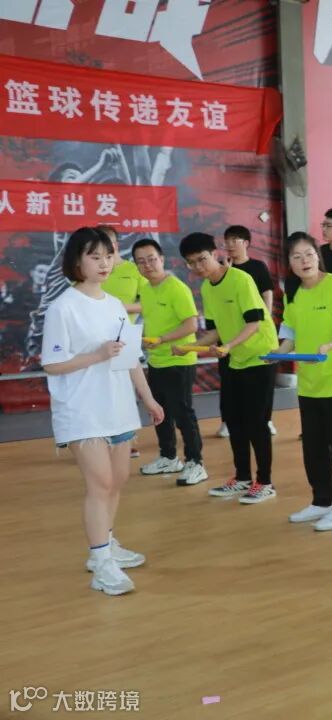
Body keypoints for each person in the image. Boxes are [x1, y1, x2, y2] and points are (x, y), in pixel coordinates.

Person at [42, 227, 164, 596]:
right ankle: (101, 563)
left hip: (118, 407)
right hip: (83, 410)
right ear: (77, 261)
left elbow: (130, 359)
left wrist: (148, 399)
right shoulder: (63, 307)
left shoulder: (113, 305)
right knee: (100, 483)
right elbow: (52, 364)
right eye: (94, 257)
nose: (104, 263)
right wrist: (97, 355)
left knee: (117, 480)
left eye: (108, 256)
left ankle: (107, 545)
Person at [179, 233, 279, 505]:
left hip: (259, 356)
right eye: (192, 263)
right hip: (234, 357)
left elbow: (254, 323)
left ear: (215, 254)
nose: (198, 267)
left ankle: (265, 482)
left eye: (202, 259)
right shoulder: (208, 288)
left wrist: (228, 345)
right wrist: (189, 347)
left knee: (256, 423)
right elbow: (214, 332)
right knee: (234, 420)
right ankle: (242, 477)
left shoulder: (241, 280)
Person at [277, 232, 332, 532]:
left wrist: (330, 345)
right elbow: (290, 331)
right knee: (313, 449)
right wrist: (278, 353)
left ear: (318, 256)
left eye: (309, 254)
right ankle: (321, 500)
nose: (305, 261)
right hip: (309, 384)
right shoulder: (294, 292)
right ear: (289, 263)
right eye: (297, 256)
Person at [131, 238, 207, 486]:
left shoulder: (176, 288)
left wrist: (162, 339)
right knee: (158, 411)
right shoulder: (146, 289)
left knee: (183, 413)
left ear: (162, 259)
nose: (147, 265)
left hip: (179, 360)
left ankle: (196, 463)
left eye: (151, 259)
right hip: (157, 360)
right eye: (141, 262)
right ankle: (168, 457)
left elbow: (191, 325)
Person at [221, 225, 277, 438]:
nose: (230, 245)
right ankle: (227, 421)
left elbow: (267, 293)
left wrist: (265, 320)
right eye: (227, 241)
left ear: (246, 243)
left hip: (256, 332)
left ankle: (266, 420)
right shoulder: (222, 268)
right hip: (230, 335)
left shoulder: (257, 267)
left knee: (263, 383)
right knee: (228, 381)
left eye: (235, 240)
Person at [98, 225, 148, 458]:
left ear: (116, 244)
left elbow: (148, 302)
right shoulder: (91, 270)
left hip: (126, 335)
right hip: (96, 339)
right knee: (101, 391)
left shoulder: (133, 270)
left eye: (108, 242)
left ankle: (126, 439)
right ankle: (101, 439)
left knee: (126, 392)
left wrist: (119, 307)